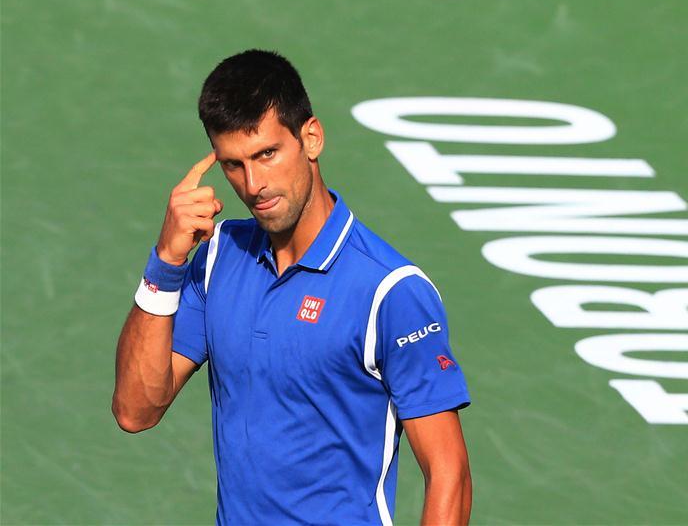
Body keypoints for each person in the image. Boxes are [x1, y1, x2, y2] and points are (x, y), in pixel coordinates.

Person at [112, 49, 472, 525]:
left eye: (267, 154)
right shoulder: (219, 257)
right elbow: (137, 410)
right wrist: (166, 262)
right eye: (233, 165)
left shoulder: (389, 291)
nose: (255, 183)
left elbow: (450, 472)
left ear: (311, 138)